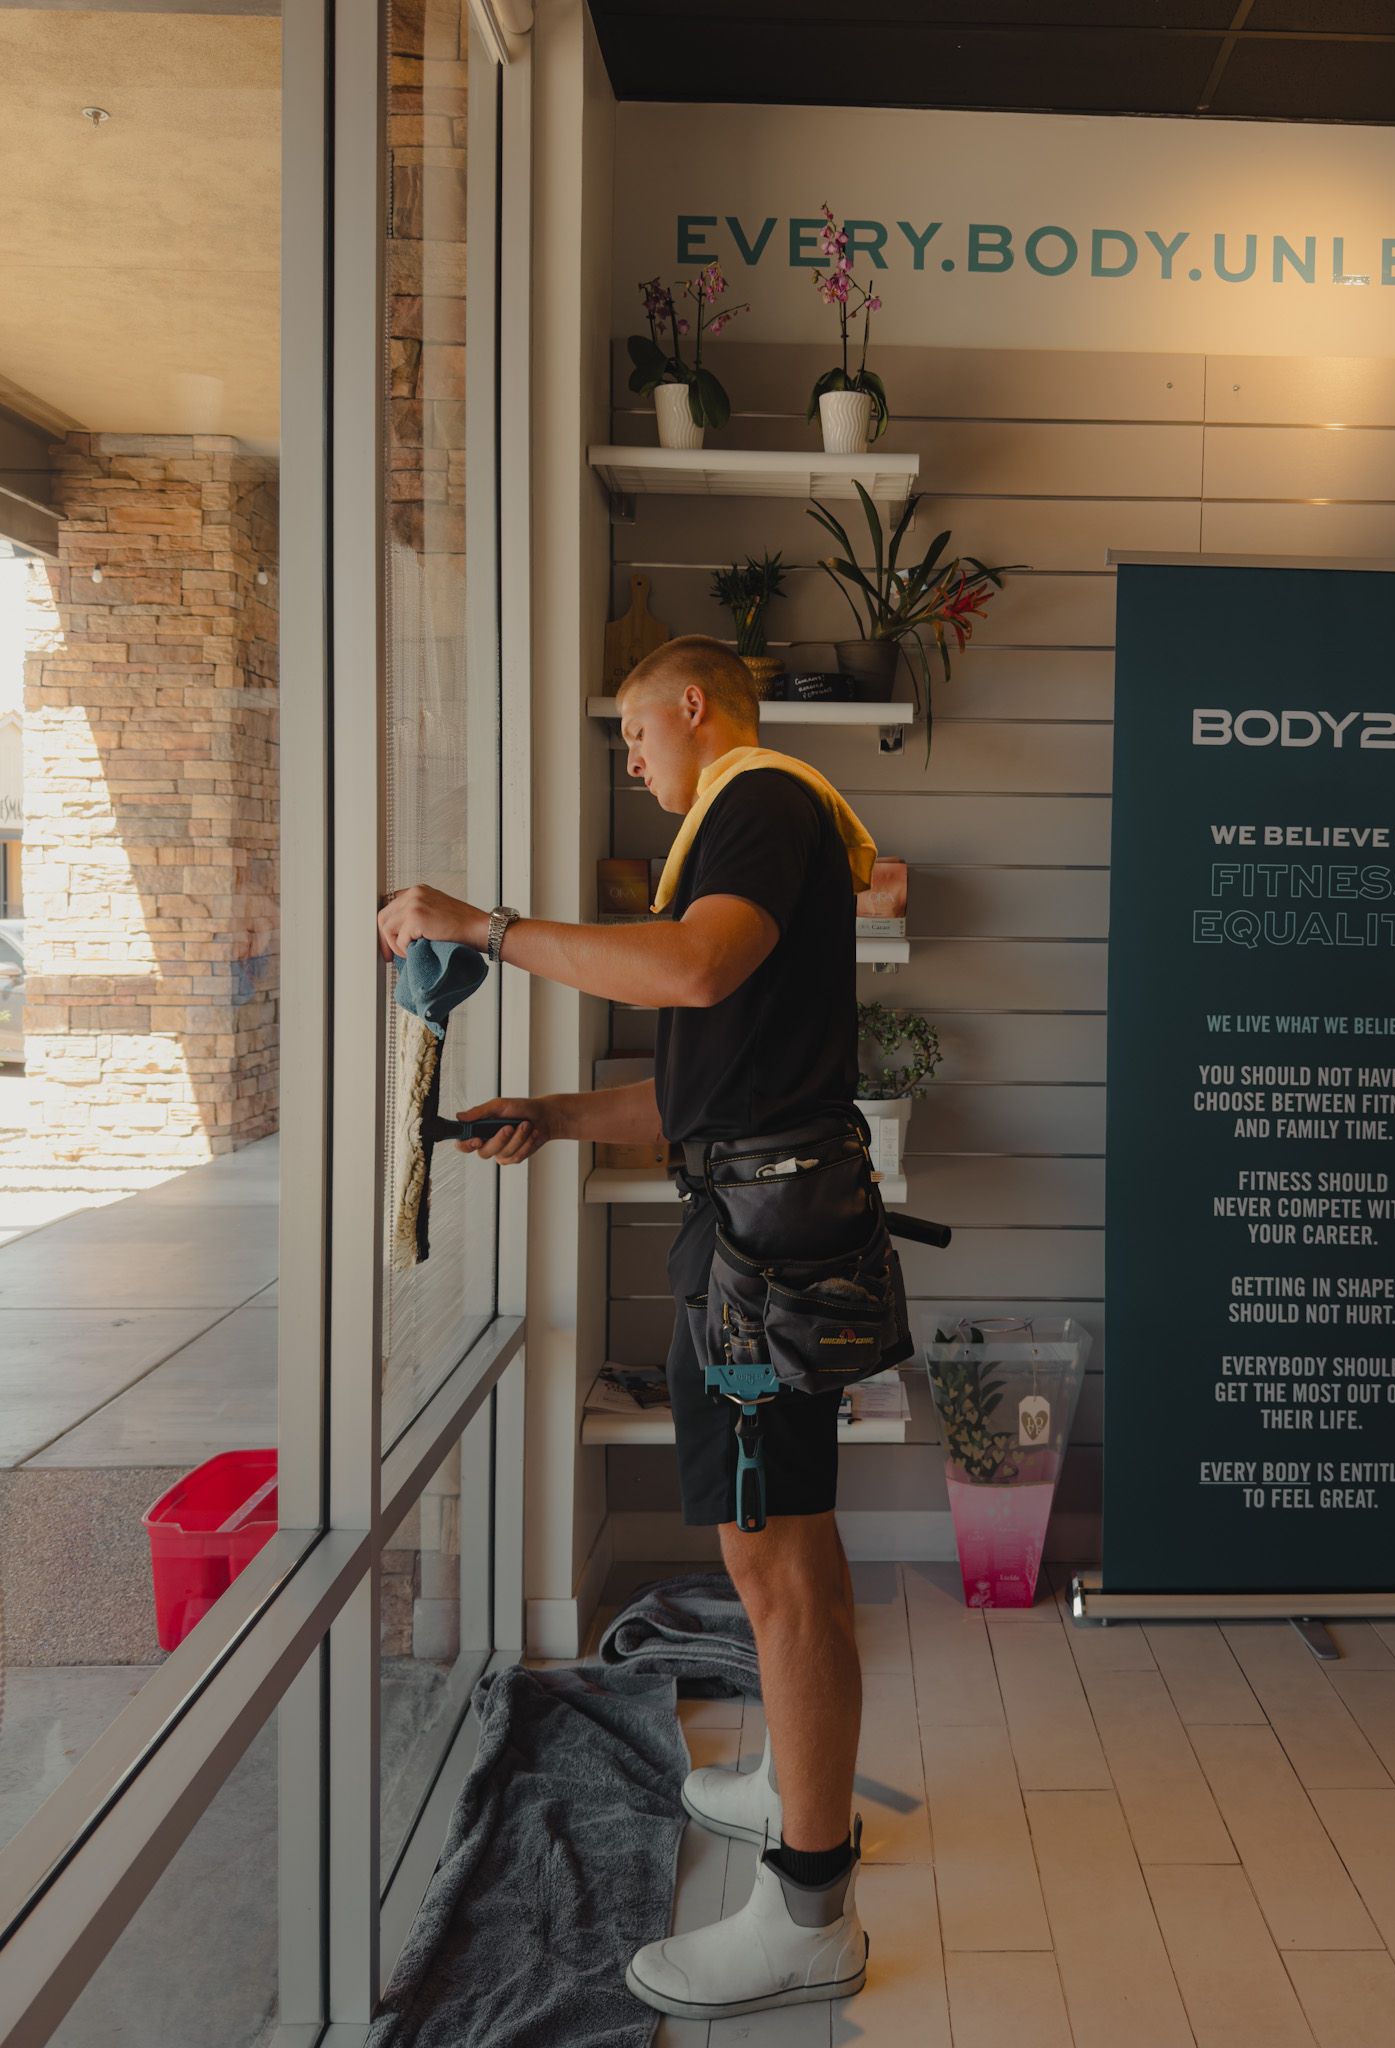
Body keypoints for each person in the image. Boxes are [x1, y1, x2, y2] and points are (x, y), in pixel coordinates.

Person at [375, 632, 880, 2020]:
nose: (634, 755)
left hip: (763, 1256)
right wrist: (555, 1117)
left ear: (694, 707)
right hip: (756, 1230)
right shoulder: (741, 837)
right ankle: (799, 1783)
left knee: (774, 1561)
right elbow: (698, 1087)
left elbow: (695, 973)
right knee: (789, 1545)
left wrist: (488, 928)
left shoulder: (757, 801)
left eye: (637, 732)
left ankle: (810, 1910)